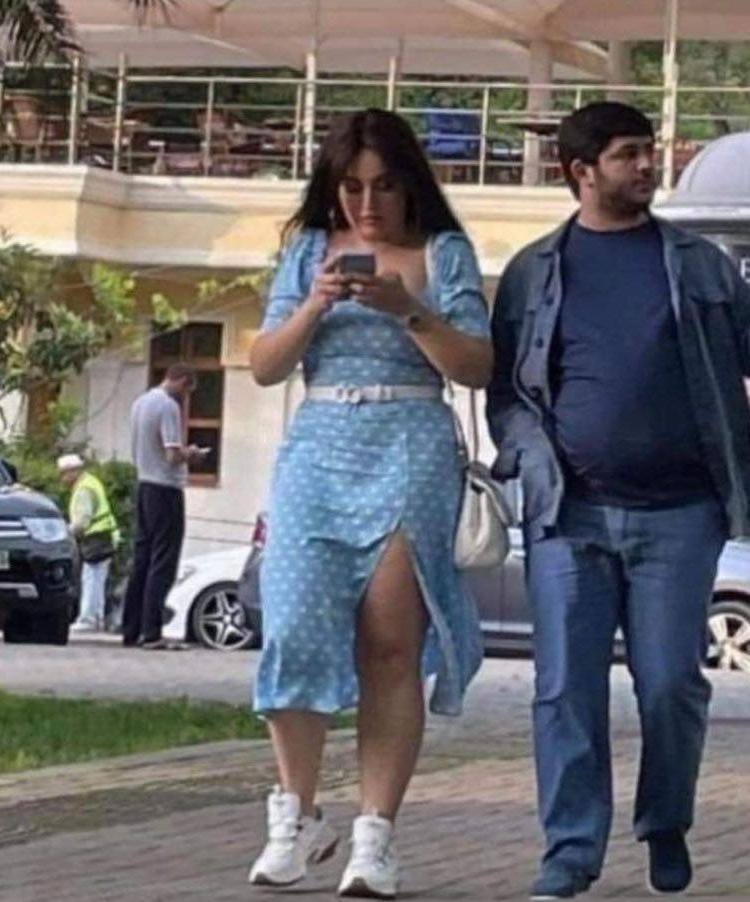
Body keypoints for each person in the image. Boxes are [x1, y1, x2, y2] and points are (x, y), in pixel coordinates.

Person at [486, 101, 750, 901]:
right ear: (582, 171)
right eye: (629, 154)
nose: (646, 166)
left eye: (648, 151)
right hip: (569, 515)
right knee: (565, 688)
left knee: (670, 684)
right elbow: (508, 392)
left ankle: (665, 820)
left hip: (683, 514)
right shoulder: (534, 271)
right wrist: (529, 458)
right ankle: (570, 851)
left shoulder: (701, 266)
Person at [247, 108, 493, 899]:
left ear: (410, 185)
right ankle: (295, 813)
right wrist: (315, 303)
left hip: (408, 443)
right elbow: (264, 365)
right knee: (291, 627)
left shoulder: (442, 253)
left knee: (389, 645)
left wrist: (406, 308)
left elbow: (476, 366)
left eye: (384, 186)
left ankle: (375, 835)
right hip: (319, 444)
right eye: (351, 187)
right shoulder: (307, 252)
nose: (366, 204)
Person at [121, 363, 207, 650]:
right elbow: (172, 454)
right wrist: (191, 453)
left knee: (142, 559)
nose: (186, 396)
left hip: (144, 484)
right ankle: (152, 631)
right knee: (163, 561)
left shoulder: (140, 402)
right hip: (165, 488)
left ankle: (131, 628)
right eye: (187, 389)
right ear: (182, 380)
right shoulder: (168, 406)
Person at [58, 453, 119, 632]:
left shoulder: (83, 489)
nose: (62, 478)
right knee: (97, 579)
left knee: (91, 579)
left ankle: (88, 619)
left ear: (73, 472)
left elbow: (82, 522)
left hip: (95, 539)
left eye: (63, 473)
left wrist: (64, 533)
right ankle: (96, 618)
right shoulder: (91, 482)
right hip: (104, 537)